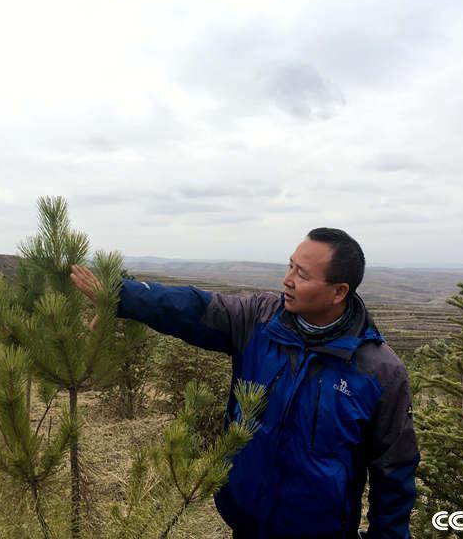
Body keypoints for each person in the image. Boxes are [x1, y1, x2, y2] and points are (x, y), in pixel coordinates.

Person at [70, 228, 419, 539]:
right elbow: (191, 307)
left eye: (302, 273)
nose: (287, 279)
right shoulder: (259, 321)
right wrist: (121, 296)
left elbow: (394, 474)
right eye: (290, 265)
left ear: (338, 291)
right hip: (246, 521)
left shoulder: (379, 372)